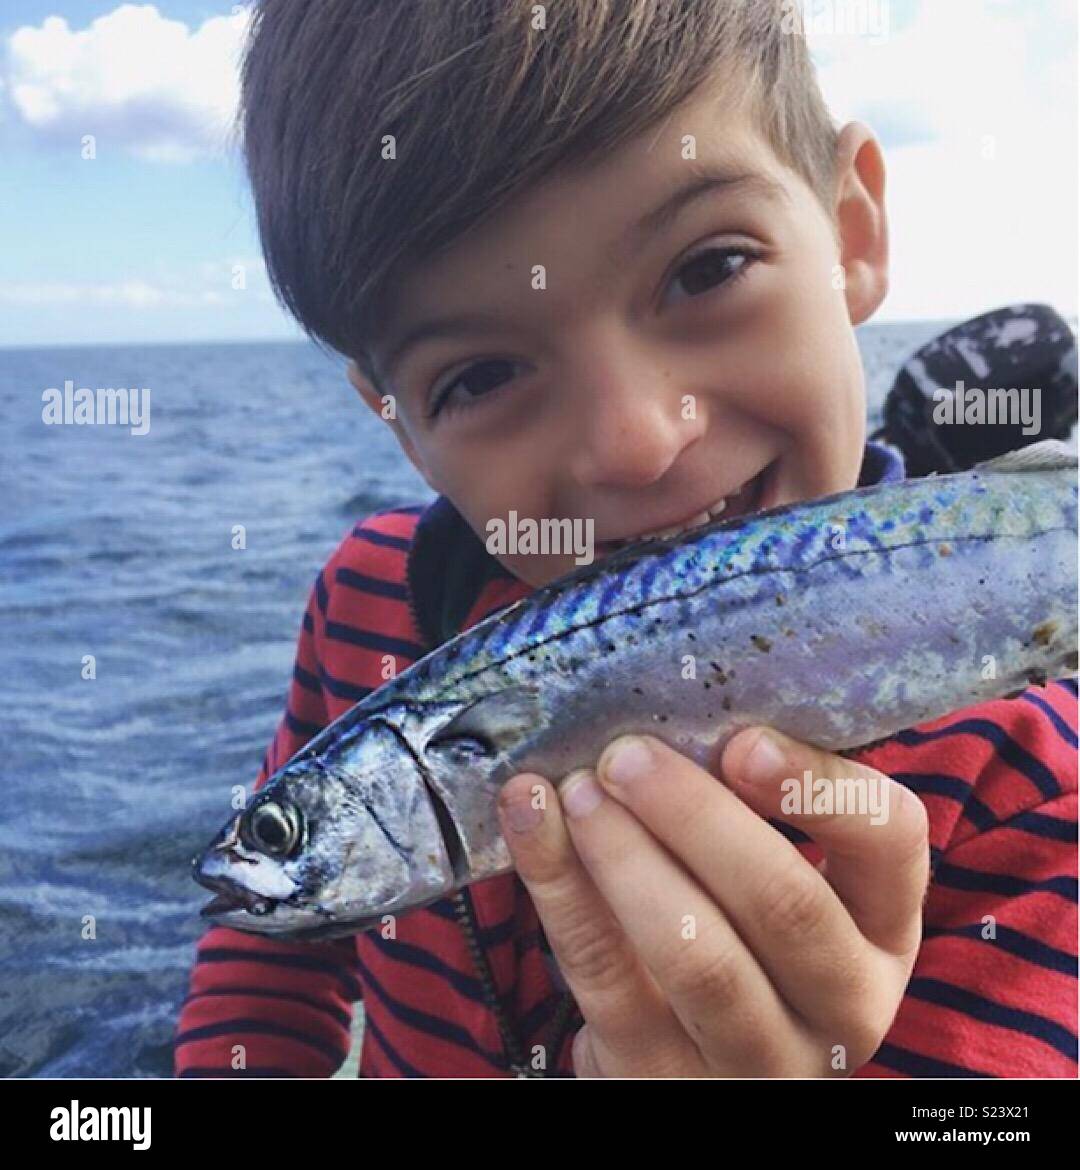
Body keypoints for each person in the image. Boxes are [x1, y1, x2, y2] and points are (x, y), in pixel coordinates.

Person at [174, 0, 1077, 1078]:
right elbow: (270, 949)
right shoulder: (367, 605)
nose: (639, 442)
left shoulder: (1035, 793)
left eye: (708, 269)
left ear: (851, 234)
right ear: (398, 426)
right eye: (481, 375)